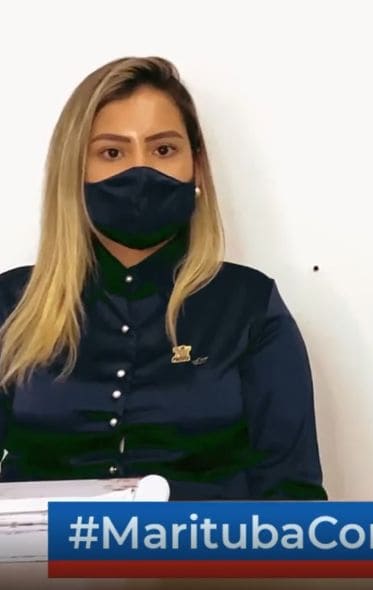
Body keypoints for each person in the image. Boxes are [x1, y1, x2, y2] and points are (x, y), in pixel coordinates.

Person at [0, 57, 326, 501]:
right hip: (41, 545)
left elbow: (293, 496)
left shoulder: (248, 305)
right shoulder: (12, 305)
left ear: (196, 165)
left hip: (204, 545)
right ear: (75, 169)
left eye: (163, 150)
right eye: (112, 152)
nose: (141, 170)